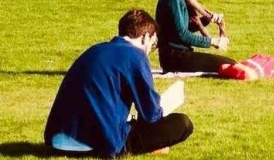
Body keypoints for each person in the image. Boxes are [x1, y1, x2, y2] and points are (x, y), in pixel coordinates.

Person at [44, 9, 194, 156]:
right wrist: (162, 107)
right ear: (145, 37)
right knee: (183, 123)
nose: (150, 50)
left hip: (58, 139)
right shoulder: (136, 56)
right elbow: (151, 114)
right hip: (98, 142)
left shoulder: (94, 50)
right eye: (152, 44)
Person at [154, 0, 237, 74]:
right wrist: (212, 41)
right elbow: (182, 34)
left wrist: (207, 20)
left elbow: (184, 28)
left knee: (229, 64)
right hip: (175, 57)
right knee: (228, 65)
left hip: (177, 55)